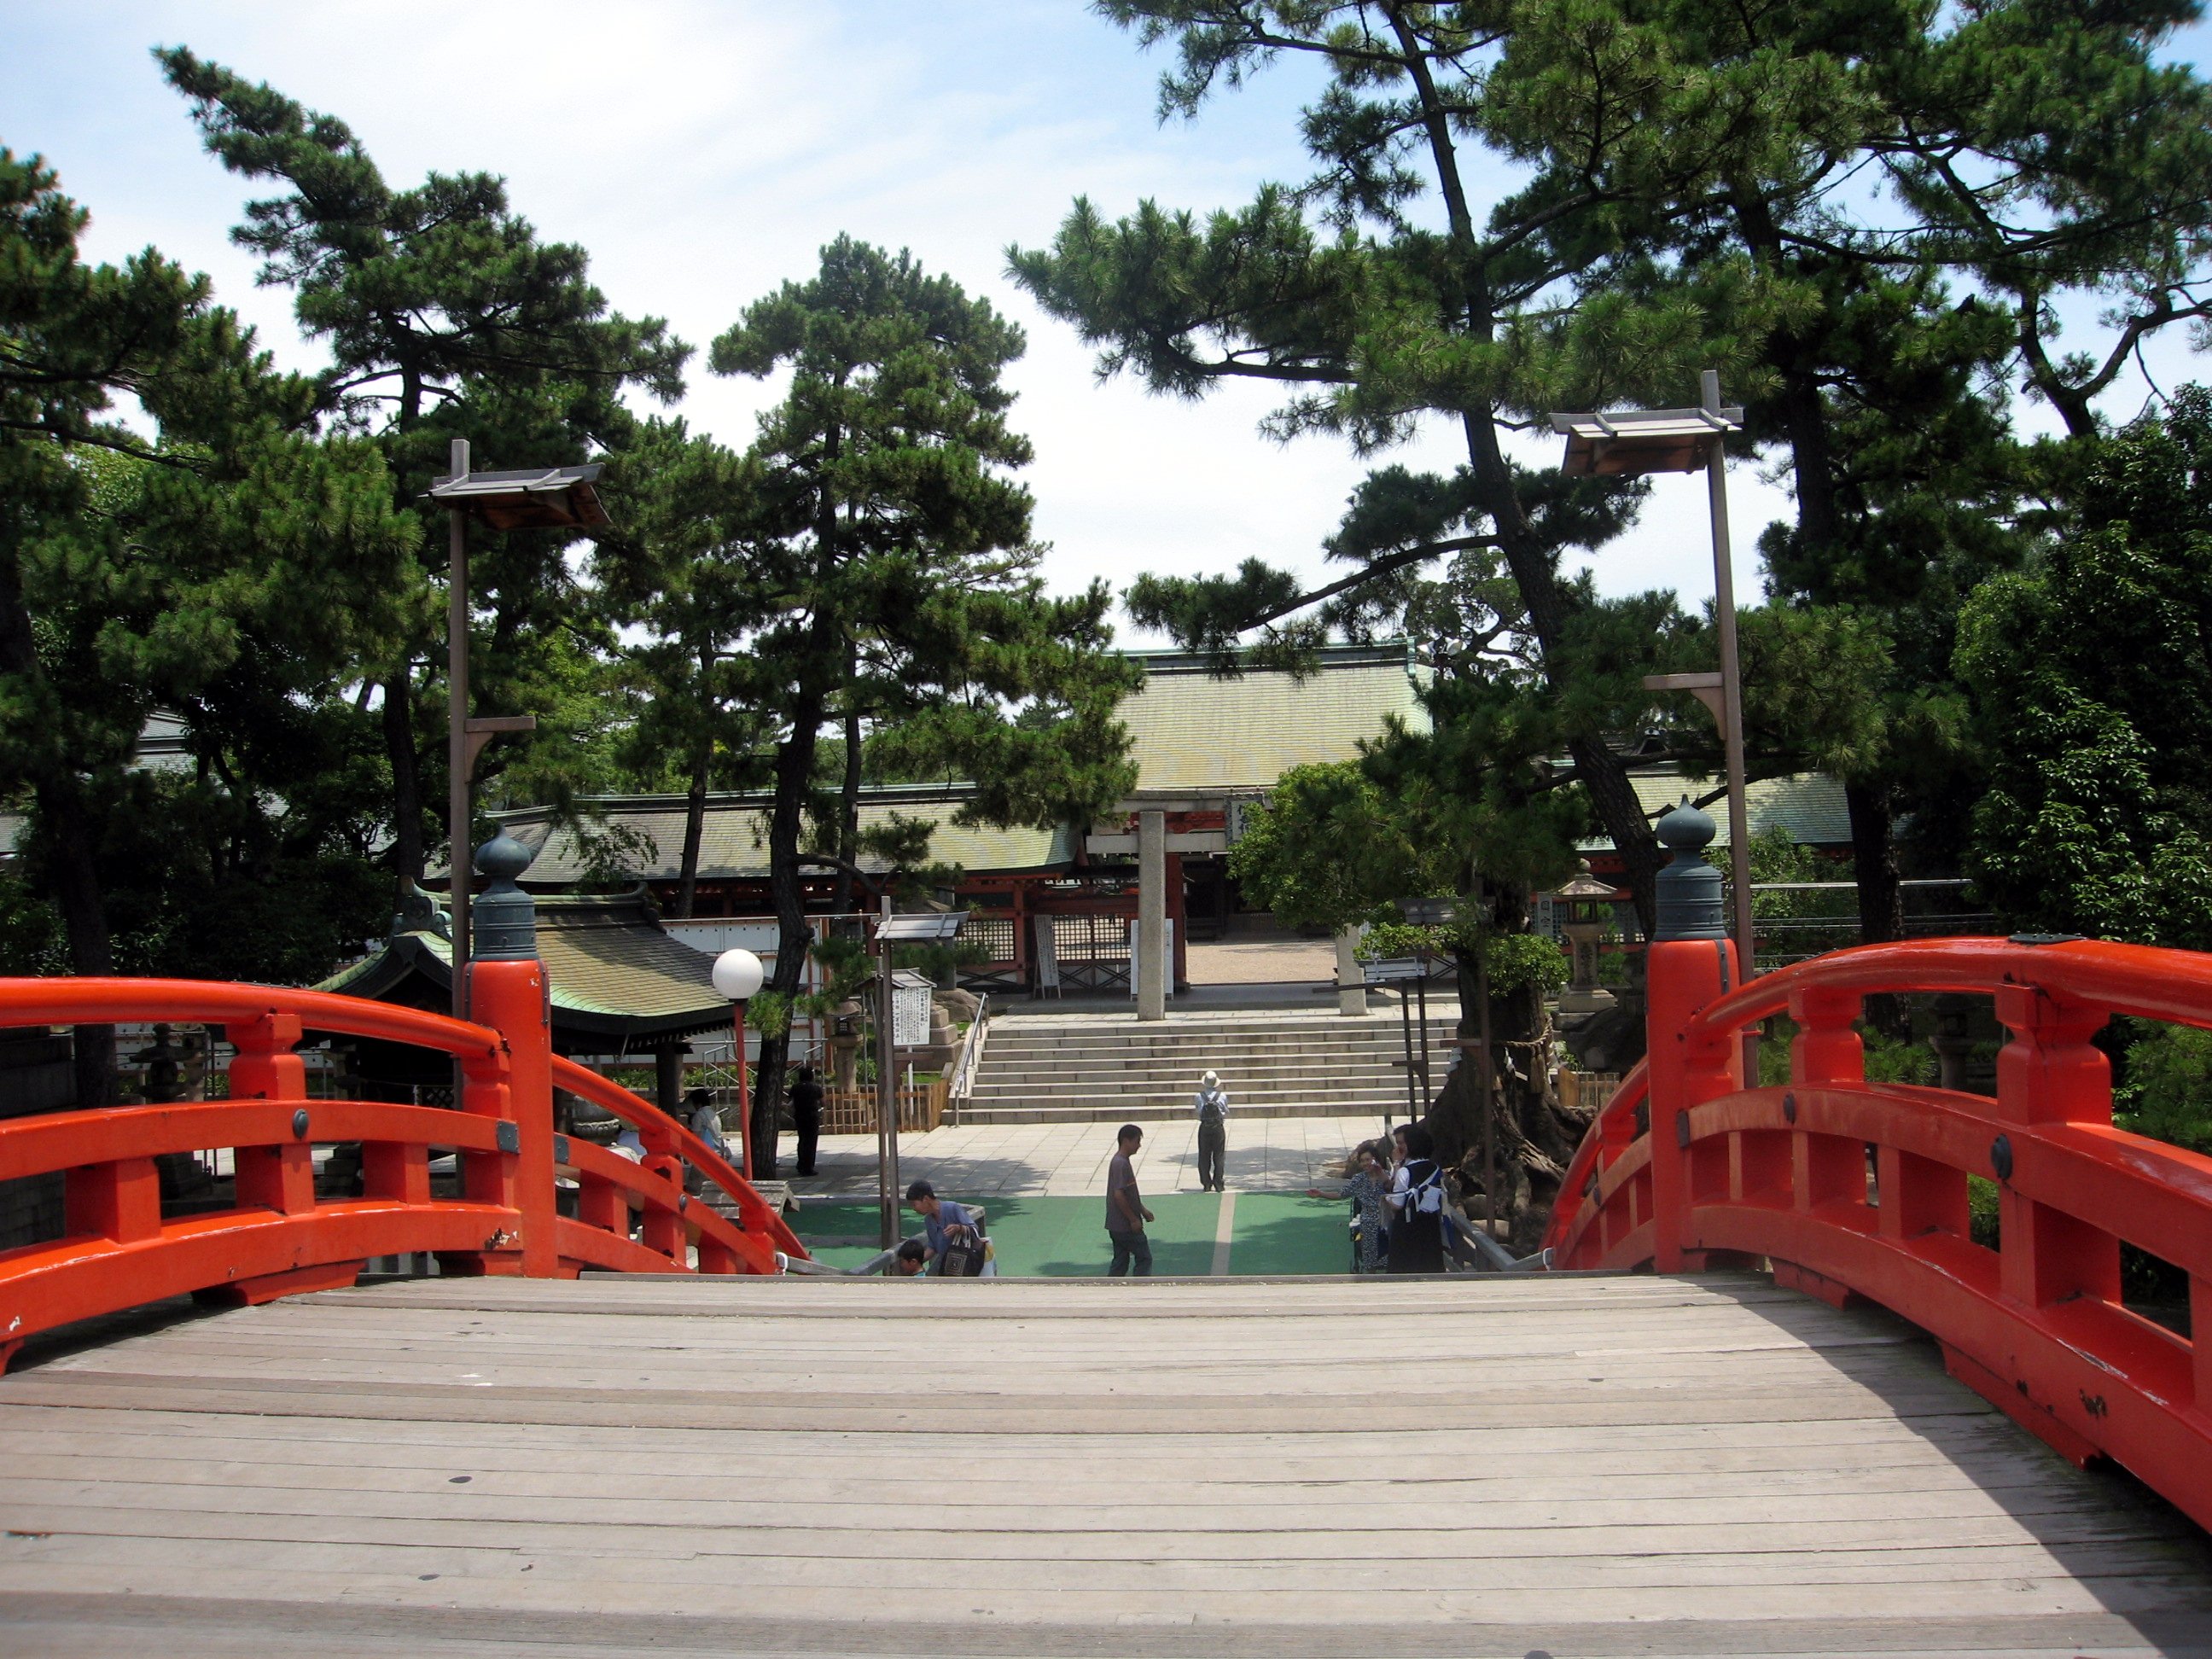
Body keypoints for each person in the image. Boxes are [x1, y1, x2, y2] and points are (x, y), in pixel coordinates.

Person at [1385, 1124, 1448, 1274]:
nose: (1398, 1147)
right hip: (1430, 1225)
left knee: (1404, 1270)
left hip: (1407, 1227)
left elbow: (1398, 1204)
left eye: (1401, 1143)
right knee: (1430, 1267)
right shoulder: (1435, 1168)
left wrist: (1386, 1199)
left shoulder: (1405, 1172)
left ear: (1412, 1144)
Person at [1104, 1123, 1155, 1277]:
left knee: (1120, 1261)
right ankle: (1140, 1286)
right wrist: (1133, 1219)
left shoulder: (1122, 1162)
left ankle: (1111, 1286)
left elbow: (1130, 1194)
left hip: (1116, 1225)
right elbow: (1119, 1195)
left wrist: (1143, 1211)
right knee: (1144, 1258)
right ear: (1126, 1141)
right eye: (1137, 1141)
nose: (1139, 1146)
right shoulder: (1120, 1163)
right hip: (1124, 1225)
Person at [905, 1179, 984, 1276]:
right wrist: (917, 1262)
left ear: (925, 1199)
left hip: (966, 1261)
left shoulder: (952, 1208)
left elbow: (974, 1229)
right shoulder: (928, 1220)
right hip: (946, 1263)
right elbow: (933, 1247)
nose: (914, 1208)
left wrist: (959, 1228)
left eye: (914, 1204)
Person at [1341, 1142, 1393, 1273]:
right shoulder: (1359, 1179)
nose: (1365, 1163)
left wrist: (1381, 1173)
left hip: (1385, 1222)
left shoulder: (1387, 1175)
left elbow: (1391, 1189)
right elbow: (1342, 1194)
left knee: (1389, 1258)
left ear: (1375, 1160)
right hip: (1368, 1223)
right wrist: (1320, 1194)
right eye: (1362, 1161)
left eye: (1368, 1160)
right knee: (1370, 1262)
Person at [1193, 1069, 1230, 1193]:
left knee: (1204, 1155)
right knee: (1219, 1156)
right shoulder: (1222, 1096)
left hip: (1205, 1127)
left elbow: (1198, 1110)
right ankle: (1218, 1183)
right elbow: (1225, 1110)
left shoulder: (1199, 1096)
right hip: (1218, 1127)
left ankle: (1206, 1183)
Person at [788, 1065, 824, 1177]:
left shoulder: (795, 1087)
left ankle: (801, 1164)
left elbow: (790, 1101)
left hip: (799, 1115)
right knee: (811, 1141)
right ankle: (809, 1166)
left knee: (802, 1140)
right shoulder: (816, 1087)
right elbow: (823, 1102)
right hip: (812, 1115)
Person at [684, 1087, 729, 1161]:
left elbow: (695, 1137)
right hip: (717, 1152)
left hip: (705, 1154)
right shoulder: (715, 1115)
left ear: (697, 1103)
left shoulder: (699, 1115)